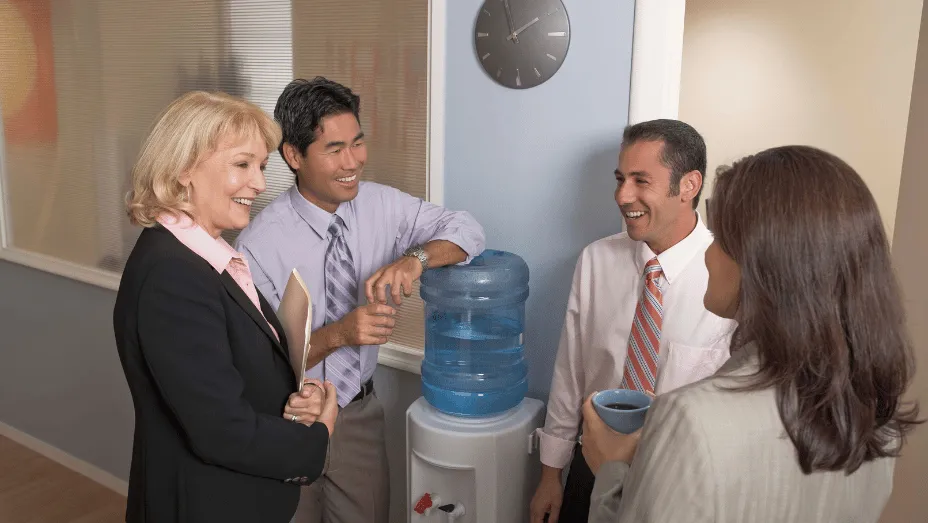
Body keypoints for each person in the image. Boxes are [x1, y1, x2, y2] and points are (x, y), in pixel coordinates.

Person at [583, 145, 922, 523]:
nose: (708, 255)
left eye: (720, 239)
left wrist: (611, 469)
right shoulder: (876, 413)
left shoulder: (690, 420)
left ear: (763, 263)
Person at [235, 77, 486, 523]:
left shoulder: (380, 205)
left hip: (358, 415)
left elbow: (468, 230)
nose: (352, 162)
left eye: (357, 143)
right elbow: (258, 360)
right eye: (334, 149)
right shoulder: (257, 246)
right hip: (286, 418)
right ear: (293, 155)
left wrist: (415, 260)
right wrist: (340, 334)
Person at [113, 91, 339, 523]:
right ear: (184, 169)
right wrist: (319, 436)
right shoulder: (174, 276)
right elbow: (221, 430)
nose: (259, 183)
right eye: (242, 164)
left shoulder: (205, 257)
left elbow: (229, 374)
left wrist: (293, 401)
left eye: (261, 166)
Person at [531, 119, 737, 523]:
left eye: (641, 181)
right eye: (620, 179)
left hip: (679, 483)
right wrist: (550, 474)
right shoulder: (596, 261)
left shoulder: (730, 274)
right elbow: (570, 372)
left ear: (689, 185)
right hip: (591, 467)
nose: (623, 196)